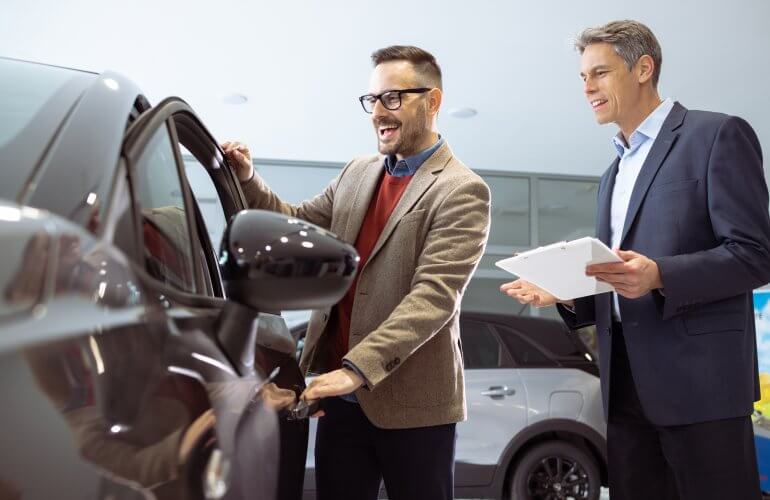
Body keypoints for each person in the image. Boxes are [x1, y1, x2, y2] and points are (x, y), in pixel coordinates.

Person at [501, 20, 770, 500]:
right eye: (583, 77)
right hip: (625, 387)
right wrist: (567, 292)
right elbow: (618, 278)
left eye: (599, 73)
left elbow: (754, 255)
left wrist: (661, 274)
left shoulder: (716, 135)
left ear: (643, 68)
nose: (587, 88)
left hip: (702, 386)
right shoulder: (612, 171)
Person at [222, 45, 490, 500]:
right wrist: (248, 179)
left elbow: (434, 298)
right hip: (341, 402)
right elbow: (295, 225)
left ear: (433, 101)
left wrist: (355, 370)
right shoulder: (357, 172)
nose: (378, 112)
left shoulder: (461, 190)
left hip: (413, 408)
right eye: (372, 100)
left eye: (393, 98)